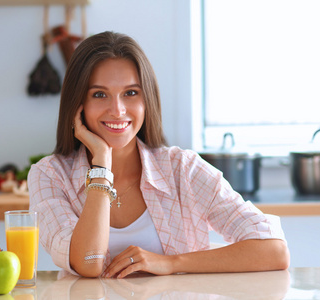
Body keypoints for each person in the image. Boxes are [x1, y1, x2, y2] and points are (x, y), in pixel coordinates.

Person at [28, 31, 289, 278]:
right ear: (78, 104)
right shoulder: (49, 175)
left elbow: (274, 250)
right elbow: (89, 262)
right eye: (100, 94)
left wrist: (171, 263)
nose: (118, 110)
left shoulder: (182, 169)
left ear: (147, 100)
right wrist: (102, 165)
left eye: (130, 93)